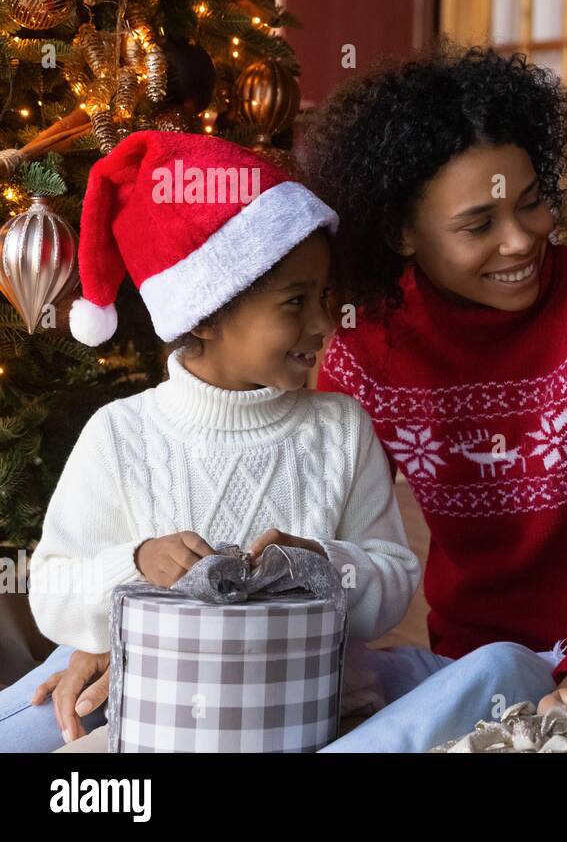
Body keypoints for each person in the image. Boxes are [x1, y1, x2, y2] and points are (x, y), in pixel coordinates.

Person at [305, 43, 567, 752]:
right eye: (478, 225)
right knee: (342, 683)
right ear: (400, 232)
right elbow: (313, 526)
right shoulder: (368, 341)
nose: (521, 242)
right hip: (459, 669)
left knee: (500, 666)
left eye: (532, 203)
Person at [1, 132, 420, 752]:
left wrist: (324, 566)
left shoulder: (339, 429)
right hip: (155, 711)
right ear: (204, 313)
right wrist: (136, 564)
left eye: (325, 297)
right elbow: (56, 590)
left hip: (308, 714)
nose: (324, 323)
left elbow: (395, 576)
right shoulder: (123, 435)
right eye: (296, 302)